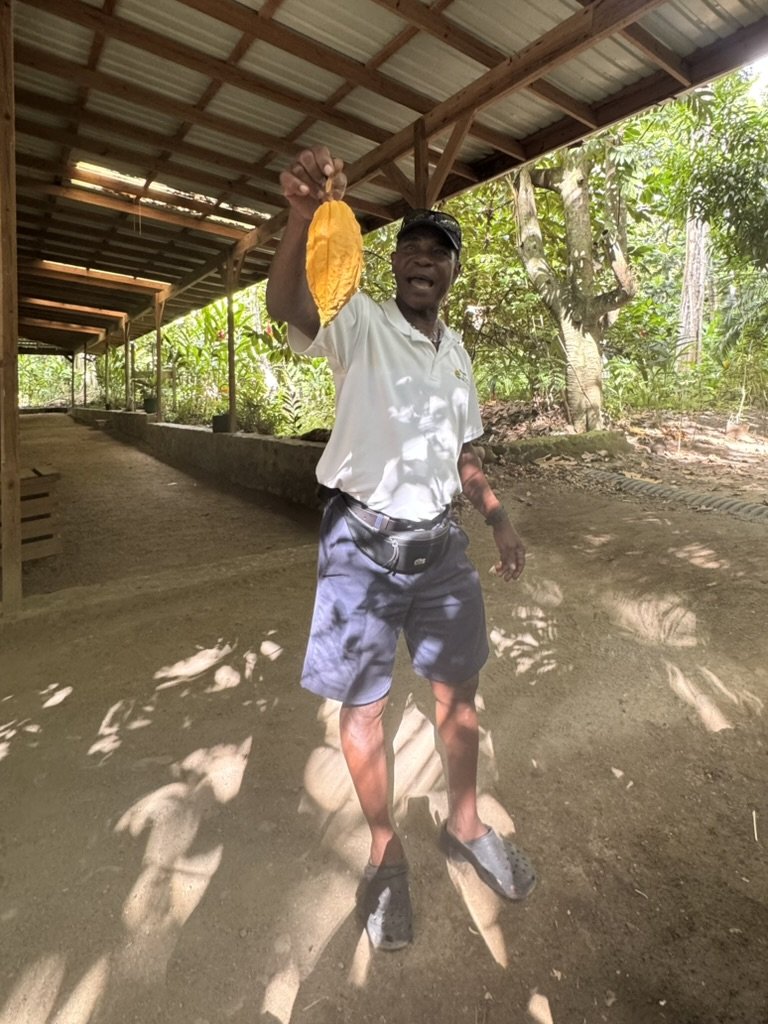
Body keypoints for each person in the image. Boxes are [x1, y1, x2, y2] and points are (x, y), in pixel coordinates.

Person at [266, 145, 536, 951]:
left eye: (439, 251)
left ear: (453, 272)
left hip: (441, 548)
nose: (424, 259)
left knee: (459, 698)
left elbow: (464, 453)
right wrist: (300, 216)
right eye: (412, 248)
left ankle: (464, 825)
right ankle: (386, 852)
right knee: (363, 712)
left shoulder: (456, 353)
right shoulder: (360, 320)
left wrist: (495, 515)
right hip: (362, 545)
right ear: (393, 266)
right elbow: (290, 307)